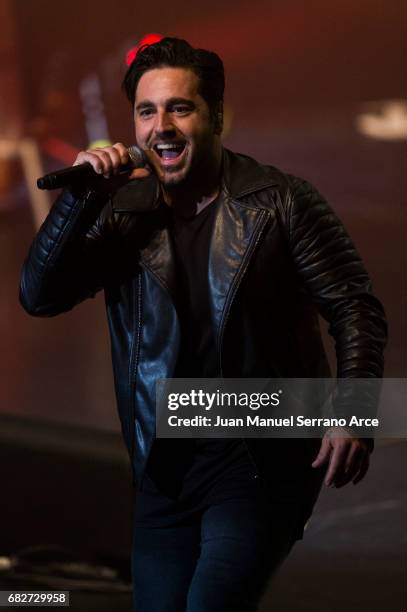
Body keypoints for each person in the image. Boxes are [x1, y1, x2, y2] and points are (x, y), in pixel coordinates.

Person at [20, 37, 387, 611]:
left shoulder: (281, 202)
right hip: (165, 467)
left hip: (260, 457)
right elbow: (39, 298)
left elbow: (354, 306)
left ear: (216, 116)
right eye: (147, 111)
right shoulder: (122, 212)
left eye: (180, 108)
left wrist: (354, 411)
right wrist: (81, 201)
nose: (161, 126)